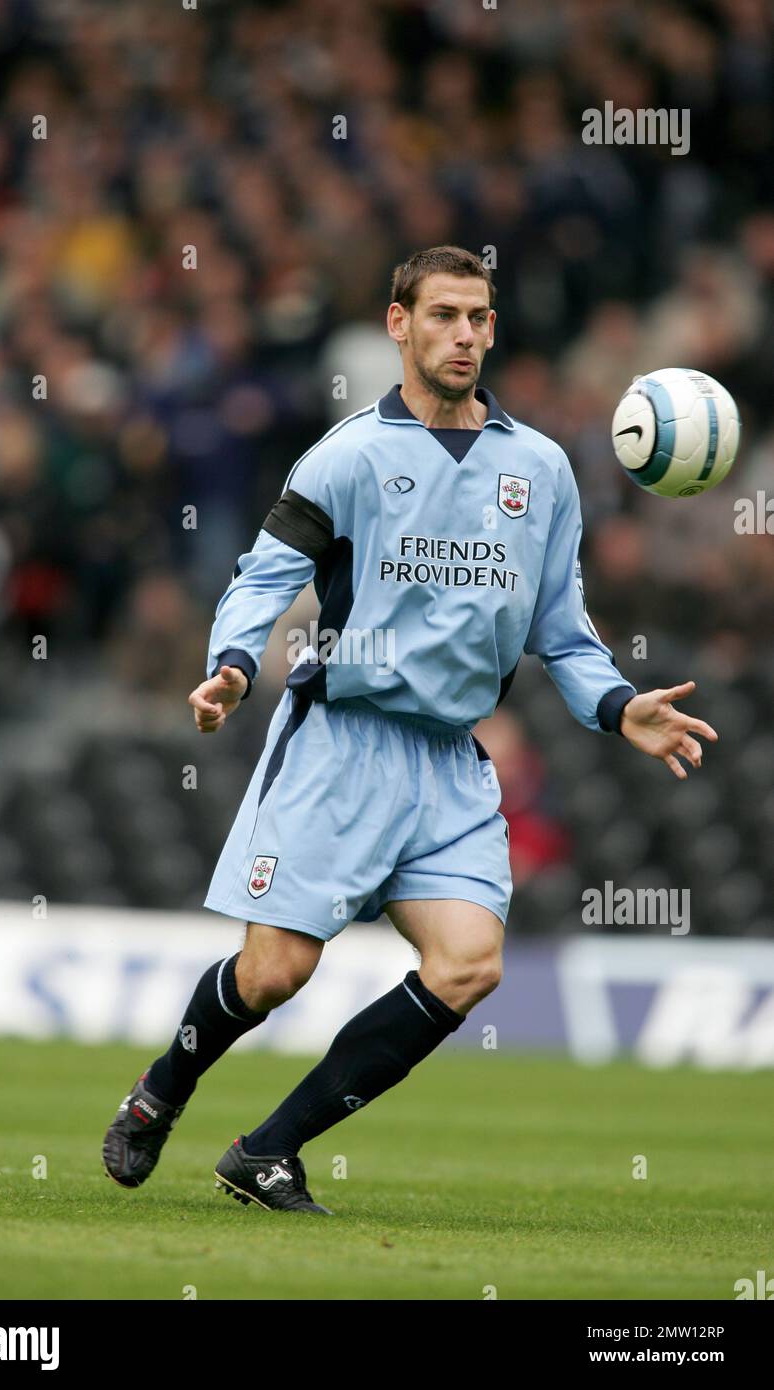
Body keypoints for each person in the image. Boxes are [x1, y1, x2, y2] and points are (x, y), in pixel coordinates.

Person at [102, 245, 718, 1214]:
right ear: (399, 325)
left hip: (450, 763)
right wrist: (228, 666)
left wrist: (614, 704)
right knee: (272, 975)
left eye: (478, 316)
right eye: (442, 316)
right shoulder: (347, 455)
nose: (464, 334)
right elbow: (263, 576)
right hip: (341, 743)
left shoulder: (539, 468)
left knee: (468, 964)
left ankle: (268, 1150)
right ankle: (160, 1091)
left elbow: (562, 626)